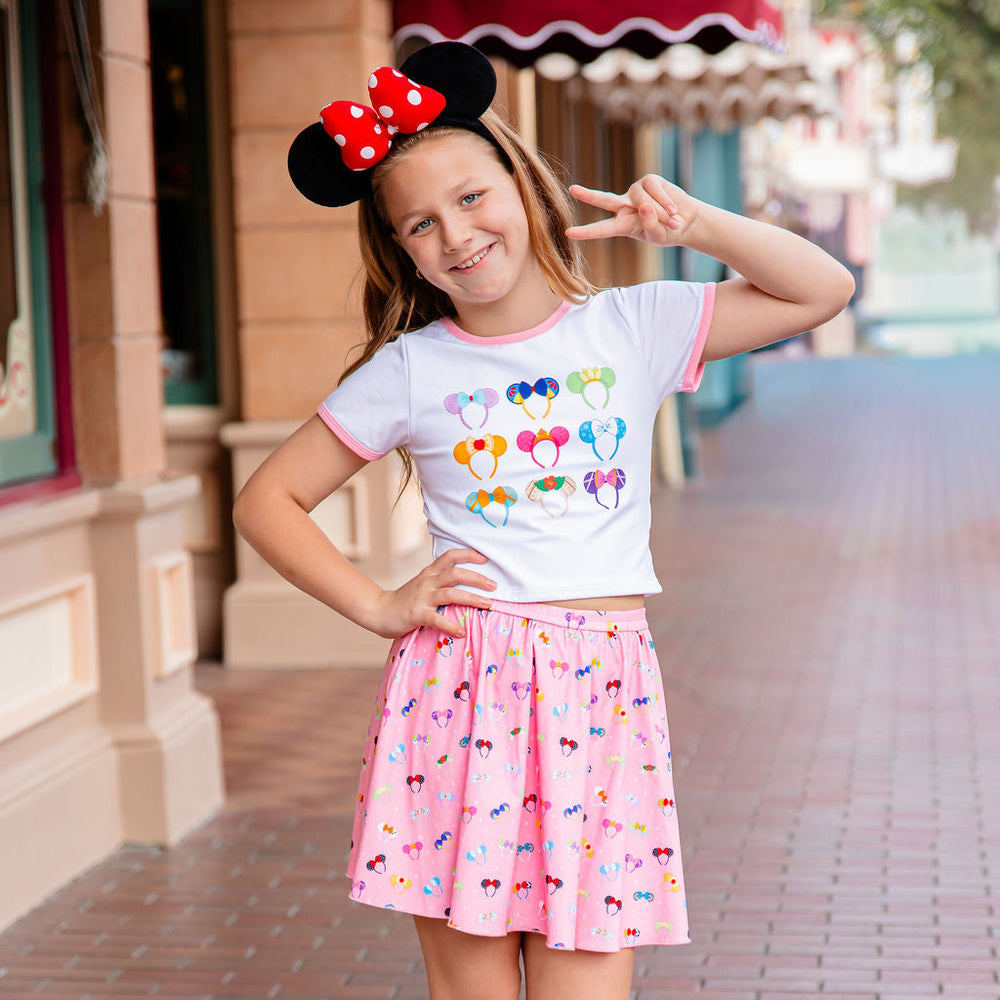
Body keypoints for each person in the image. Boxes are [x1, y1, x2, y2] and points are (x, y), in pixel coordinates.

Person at [233, 41, 854, 1000]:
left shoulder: (630, 327)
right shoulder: (411, 369)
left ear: (524, 185)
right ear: (402, 250)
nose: (457, 235)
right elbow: (265, 500)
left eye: (474, 198)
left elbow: (821, 289)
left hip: (601, 693)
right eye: (421, 225)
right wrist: (377, 605)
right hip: (461, 694)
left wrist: (694, 223)